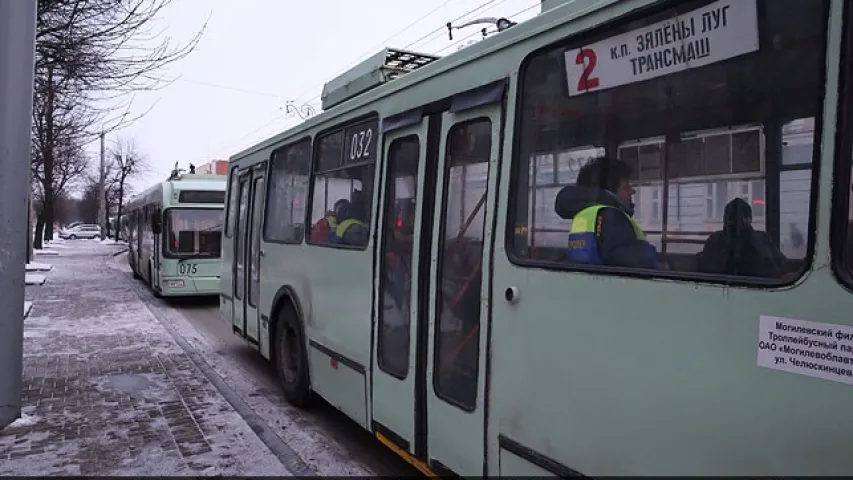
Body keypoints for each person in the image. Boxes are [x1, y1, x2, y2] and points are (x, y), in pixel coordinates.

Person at [554, 156, 658, 269]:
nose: (632, 191)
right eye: (626, 187)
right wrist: (651, 253)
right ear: (609, 193)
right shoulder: (611, 216)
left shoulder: (589, 214)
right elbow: (629, 258)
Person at [697, 197, 790, 277]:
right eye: (732, 218)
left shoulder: (762, 240)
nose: (736, 222)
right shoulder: (762, 239)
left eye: (741, 217)